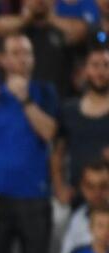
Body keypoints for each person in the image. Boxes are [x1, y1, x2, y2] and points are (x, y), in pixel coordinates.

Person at [0, 33, 57, 253]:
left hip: (35, 194)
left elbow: (48, 132)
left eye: (27, 53)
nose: (23, 59)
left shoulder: (45, 92)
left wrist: (26, 100)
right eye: (16, 53)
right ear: (3, 59)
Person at [52, 47, 109, 205]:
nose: (101, 72)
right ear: (84, 70)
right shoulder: (68, 110)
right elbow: (57, 154)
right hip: (77, 198)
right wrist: (59, 187)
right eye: (95, 65)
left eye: (106, 65)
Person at [56, 160, 109, 253]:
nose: (97, 192)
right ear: (82, 188)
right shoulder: (77, 219)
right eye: (90, 186)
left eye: (102, 186)